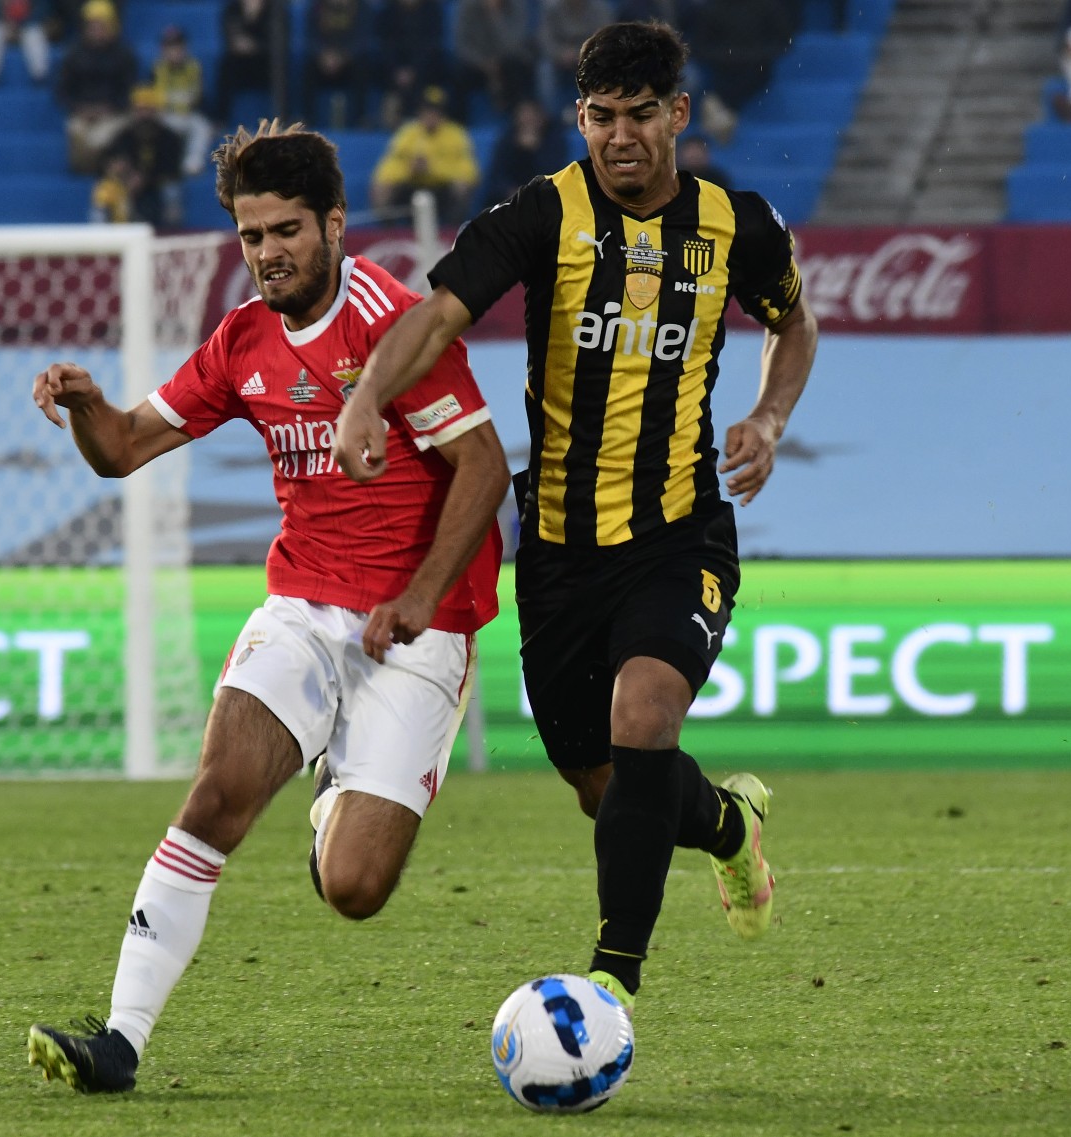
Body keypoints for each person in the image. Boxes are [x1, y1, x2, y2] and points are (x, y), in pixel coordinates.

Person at [334, 21, 817, 1013]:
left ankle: (613, 986)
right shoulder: (542, 215)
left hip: (679, 535)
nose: (621, 137)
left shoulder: (739, 226)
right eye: (601, 117)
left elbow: (794, 320)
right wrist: (363, 398)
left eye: (642, 116)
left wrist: (768, 415)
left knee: (646, 718)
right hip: (556, 553)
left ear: (678, 114)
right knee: (610, 786)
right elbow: (434, 318)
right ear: (580, 118)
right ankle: (728, 826)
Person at [25, 122, 509, 1094]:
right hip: (302, 609)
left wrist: (418, 598)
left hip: (419, 630)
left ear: (334, 224)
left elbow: (485, 466)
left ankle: (336, 786)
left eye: (286, 230)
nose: (268, 254)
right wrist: (85, 404)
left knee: (355, 890)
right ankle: (119, 1041)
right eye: (250, 236)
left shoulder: (391, 325)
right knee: (217, 795)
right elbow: (125, 449)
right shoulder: (242, 339)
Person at [370, 85, 482, 225]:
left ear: (443, 113)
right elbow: (387, 168)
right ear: (420, 112)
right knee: (381, 187)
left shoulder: (456, 135)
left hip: (442, 190)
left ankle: (452, 234)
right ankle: (388, 235)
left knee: (462, 187)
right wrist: (409, 169)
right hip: (411, 187)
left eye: (435, 111)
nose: (431, 115)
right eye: (427, 110)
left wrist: (432, 169)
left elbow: (470, 172)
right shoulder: (408, 133)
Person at [687, 0, 795, 144]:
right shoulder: (712, 9)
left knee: (754, 74)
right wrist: (728, 56)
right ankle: (721, 112)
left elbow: (784, 41)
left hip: (758, 65)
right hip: (722, 66)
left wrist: (757, 55)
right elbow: (699, 46)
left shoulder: (768, 6)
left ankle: (723, 110)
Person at [56, 0, 139, 173]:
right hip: (82, 113)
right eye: (92, 26)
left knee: (99, 138)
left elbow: (129, 90)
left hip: (113, 113)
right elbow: (63, 91)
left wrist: (109, 108)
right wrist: (80, 108)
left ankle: (105, 168)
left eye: (101, 26)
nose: (96, 30)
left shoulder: (124, 55)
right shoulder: (74, 54)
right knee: (76, 130)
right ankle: (92, 168)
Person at [99, 85, 184, 227]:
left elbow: (171, 169)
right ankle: (103, 236)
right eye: (140, 110)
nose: (144, 115)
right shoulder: (124, 136)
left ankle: (171, 233)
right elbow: (109, 160)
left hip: (158, 182)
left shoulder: (170, 138)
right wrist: (119, 170)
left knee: (172, 191)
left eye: (148, 110)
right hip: (129, 181)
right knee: (106, 189)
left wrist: (144, 179)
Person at [479, 98, 570, 208]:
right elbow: (497, 174)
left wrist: (533, 151)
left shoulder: (553, 140)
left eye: (531, 115)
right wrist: (510, 190)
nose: (527, 119)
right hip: (508, 196)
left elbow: (554, 172)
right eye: (523, 114)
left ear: (541, 117)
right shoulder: (507, 139)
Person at [149, 25, 214, 177]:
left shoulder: (194, 67)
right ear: (163, 49)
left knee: (202, 127)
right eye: (169, 47)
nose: (174, 51)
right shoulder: (156, 69)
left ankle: (193, 162)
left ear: (184, 48)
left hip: (187, 114)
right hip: (164, 115)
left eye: (177, 46)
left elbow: (199, 97)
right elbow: (152, 97)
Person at [454, 0, 534, 121]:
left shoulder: (516, 6)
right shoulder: (467, 7)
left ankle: (515, 122)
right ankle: (459, 124)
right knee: (456, 73)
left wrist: (495, 16)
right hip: (477, 62)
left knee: (517, 68)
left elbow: (513, 45)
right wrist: (483, 63)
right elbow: (462, 45)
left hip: (506, 60)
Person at [375, 0, 449, 126]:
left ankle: (424, 117)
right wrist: (397, 70)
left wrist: (414, 71)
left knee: (440, 67)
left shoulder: (432, 10)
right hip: (393, 70)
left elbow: (432, 45)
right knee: (373, 65)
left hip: (424, 69)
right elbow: (384, 46)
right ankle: (390, 119)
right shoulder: (388, 11)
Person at [537, 0, 614, 110]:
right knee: (545, 69)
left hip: (591, 57)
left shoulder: (599, 9)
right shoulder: (552, 9)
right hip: (559, 57)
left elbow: (605, 39)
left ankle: (597, 108)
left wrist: (582, 53)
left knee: (605, 65)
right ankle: (550, 114)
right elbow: (545, 39)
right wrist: (560, 53)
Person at [305, 0, 366, 128]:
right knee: (307, 67)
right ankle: (306, 120)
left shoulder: (360, 7)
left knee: (363, 67)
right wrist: (323, 55)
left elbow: (362, 39)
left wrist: (342, 57)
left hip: (348, 62)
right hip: (322, 61)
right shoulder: (317, 7)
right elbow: (310, 37)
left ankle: (361, 120)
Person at [211, 0, 271, 123]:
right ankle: (220, 120)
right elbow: (230, 37)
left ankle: (282, 116)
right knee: (226, 65)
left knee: (279, 68)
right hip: (241, 65)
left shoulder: (274, 10)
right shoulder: (232, 9)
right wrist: (248, 18)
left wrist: (255, 45)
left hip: (264, 65)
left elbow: (277, 43)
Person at [0, 0, 51, 85]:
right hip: (2, 25)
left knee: (34, 34)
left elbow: (42, 9)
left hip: (27, 25)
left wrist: (21, 25)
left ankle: (40, 77)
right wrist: (6, 24)